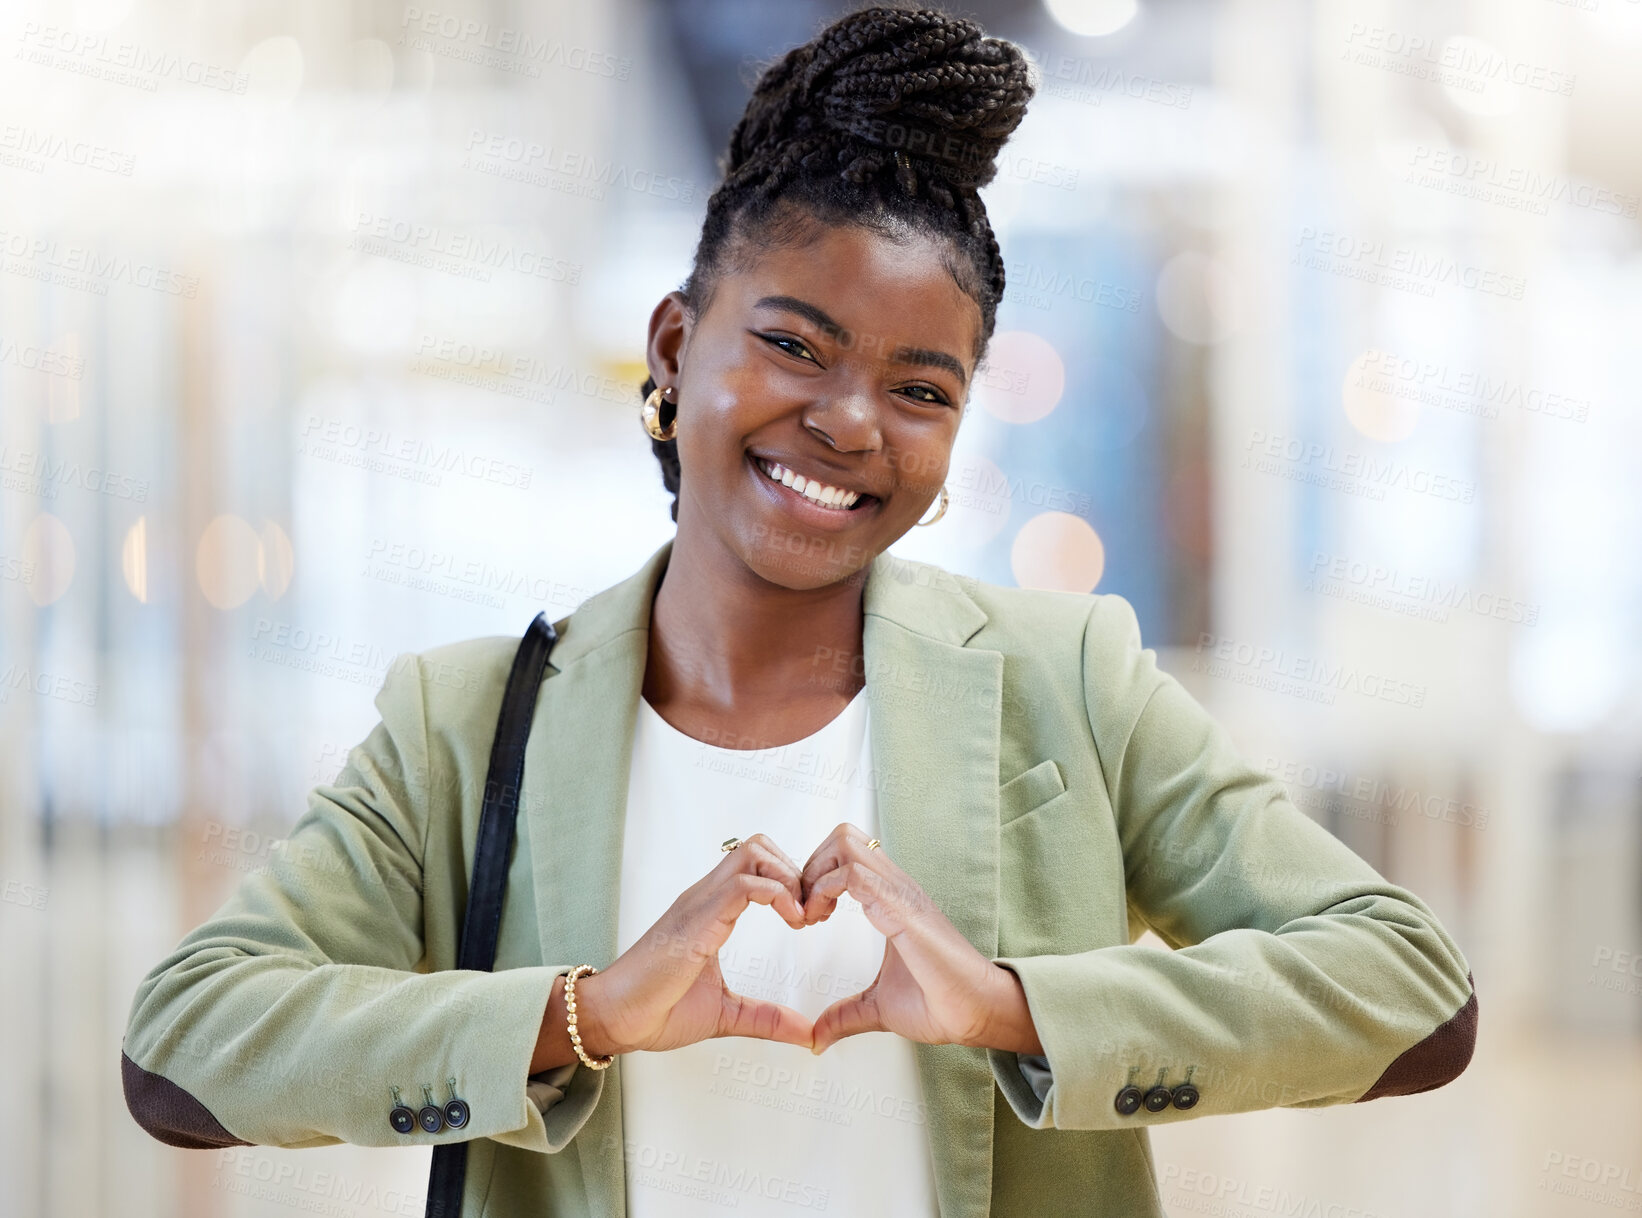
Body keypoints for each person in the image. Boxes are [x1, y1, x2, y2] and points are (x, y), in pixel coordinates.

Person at [121, 6, 1477, 1216]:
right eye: (791, 344)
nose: (846, 423)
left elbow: (1409, 990)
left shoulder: (1067, 680)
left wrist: (1011, 1007)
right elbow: (182, 1049)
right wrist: (579, 1013)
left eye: (919, 388)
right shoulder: (468, 722)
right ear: (672, 348)